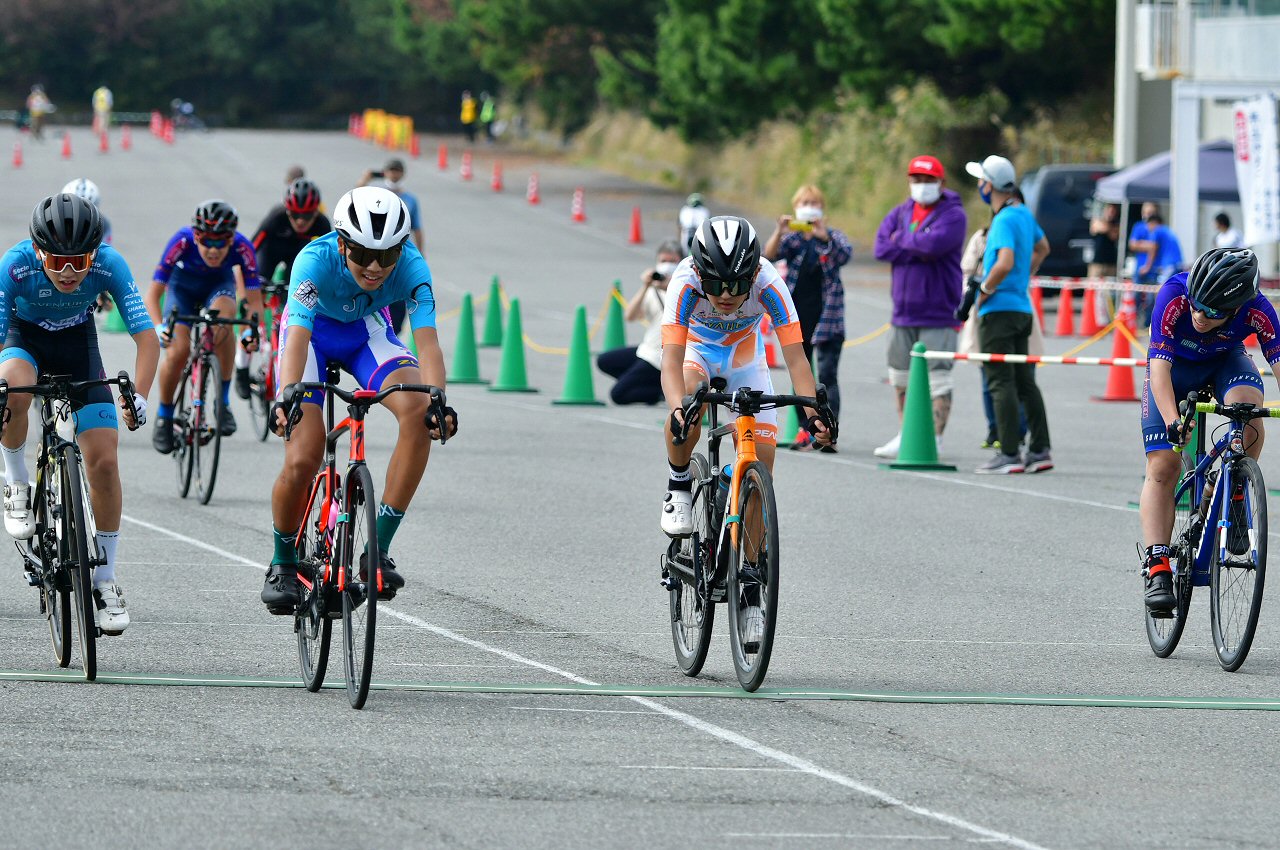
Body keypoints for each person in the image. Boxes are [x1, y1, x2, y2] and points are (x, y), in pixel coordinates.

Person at [260, 186, 457, 613]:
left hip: (365, 334)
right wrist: (287, 393)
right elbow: (295, 335)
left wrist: (440, 398)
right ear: (343, 243)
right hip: (311, 339)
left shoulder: (412, 266)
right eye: (363, 254)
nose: (373, 267)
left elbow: (428, 342)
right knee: (304, 455)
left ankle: (377, 550)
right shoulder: (314, 261)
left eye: (385, 257)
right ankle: (283, 560)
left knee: (420, 411)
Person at [660, 216, 832, 642]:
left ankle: (751, 589)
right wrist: (678, 408)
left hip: (745, 362)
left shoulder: (770, 282)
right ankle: (680, 483)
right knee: (691, 399)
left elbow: (796, 360)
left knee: (762, 462)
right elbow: (669, 364)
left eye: (738, 285)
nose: (727, 296)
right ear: (700, 272)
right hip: (696, 355)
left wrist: (813, 416)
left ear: (754, 271)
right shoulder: (683, 283)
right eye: (716, 285)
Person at [0, 194, 157, 634]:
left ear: (94, 252)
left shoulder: (110, 264)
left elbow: (147, 339)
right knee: (12, 387)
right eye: (57, 260)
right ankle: (16, 481)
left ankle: (105, 580)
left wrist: (138, 396)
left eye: (79, 260)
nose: (69, 272)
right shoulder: (14, 266)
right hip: (22, 338)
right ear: (37, 251)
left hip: (78, 346)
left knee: (105, 461)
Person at [1138, 248, 1278, 613]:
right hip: (1174, 370)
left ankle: (1230, 486)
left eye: (1213, 311)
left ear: (1237, 308)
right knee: (1164, 468)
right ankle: (1157, 564)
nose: (1200, 316)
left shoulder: (1259, 309)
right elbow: (1159, 371)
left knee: (1250, 413)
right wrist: (1172, 421)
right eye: (1197, 305)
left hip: (1223, 362)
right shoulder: (1173, 294)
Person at [146, 200, 264, 452]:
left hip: (218, 286)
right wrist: (158, 328)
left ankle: (222, 403)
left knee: (225, 320)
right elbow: (153, 295)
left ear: (231, 240)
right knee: (178, 352)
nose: (213, 250)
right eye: (206, 242)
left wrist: (249, 332)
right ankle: (164, 416)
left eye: (220, 242)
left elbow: (254, 302)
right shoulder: (181, 241)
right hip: (181, 290)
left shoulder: (243, 247)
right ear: (196, 237)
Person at [871, 155, 967, 459]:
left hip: (938, 312)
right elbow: (880, 247)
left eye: (928, 180)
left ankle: (935, 438)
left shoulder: (953, 215)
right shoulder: (900, 212)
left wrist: (905, 242)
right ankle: (907, 434)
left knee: (938, 378)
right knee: (900, 376)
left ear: (941, 183)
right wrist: (915, 242)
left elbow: (934, 245)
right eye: (916, 180)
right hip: (902, 311)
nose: (921, 186)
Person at [965, 155, 1053, 474]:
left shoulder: (1002, 219)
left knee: (1000, 381)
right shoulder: (1023, 214)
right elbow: (1044, 248)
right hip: (1021, 307)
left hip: (998, 310)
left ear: (989, 185)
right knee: (1025, 381)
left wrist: (986, 288)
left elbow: (1003, 261)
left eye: (980, 181)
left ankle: (1009, 452)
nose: (979, 186)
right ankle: (1040, 448)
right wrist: (1023, 276)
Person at [763, 184, 852, 446]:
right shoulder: (792, 240)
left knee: (827, 377)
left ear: (822, 208)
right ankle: (807, 429)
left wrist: (824, 236)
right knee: (801, 374)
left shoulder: (834, 237)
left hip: (828, 320)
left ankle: (829, 431)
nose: (809, 208)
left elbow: (844, 255)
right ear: (795, 208)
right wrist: (780, 229)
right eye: (804, 203)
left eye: (814, 203)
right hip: (798, 317)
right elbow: (768, 256)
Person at [240, 179, 332, 398]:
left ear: (315, 213)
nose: (301, 221)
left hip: (298, 261)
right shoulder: (276, 218)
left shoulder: (322, 224)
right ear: (287, 211)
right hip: (270, 255)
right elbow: (251, 251)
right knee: (252, 309)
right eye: (295, 215)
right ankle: (241, 369)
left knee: (294, 307)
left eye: (307, 216)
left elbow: (328, 261)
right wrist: (251, 290)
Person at [597, 240, 682, 405]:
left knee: (618, 394)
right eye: (663, 261)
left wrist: (669, 286)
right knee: (604, 361)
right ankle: (656, 383)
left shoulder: (685, 288)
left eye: (672, 261)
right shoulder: (653, 289)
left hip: (662, 357)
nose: (667, 266)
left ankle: (661, 392)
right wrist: (645, 286)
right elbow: (630, 316)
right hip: (647, 350)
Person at [358, 159, 423, 334]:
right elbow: (355, 202)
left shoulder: (410, 200)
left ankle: (391, 336)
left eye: (397, 171)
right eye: (390, 170)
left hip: (398, 255)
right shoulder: (377, 196)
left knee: (397, 302)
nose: (394, 174)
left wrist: (420, 257)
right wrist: (365, 180)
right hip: (375, 253)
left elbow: (417, 228)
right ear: (384, 172)